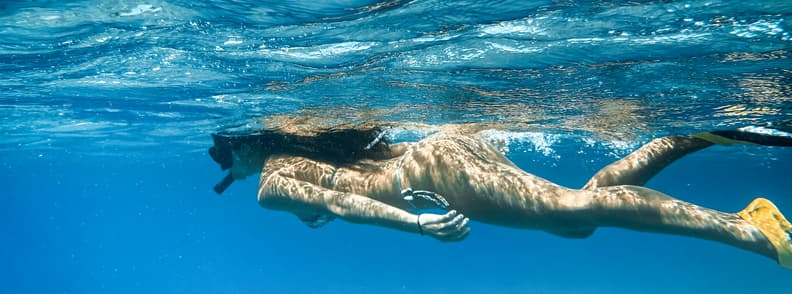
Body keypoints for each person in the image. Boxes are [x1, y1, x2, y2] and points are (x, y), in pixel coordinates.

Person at [208, 119, 792, 269]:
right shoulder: (315, 148)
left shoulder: (269, 184)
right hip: (443, 151)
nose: (223, 166)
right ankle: (688, 137)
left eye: (220, 154)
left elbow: (340, 204)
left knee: (572, 209)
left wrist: (412, 224)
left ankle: (751, 231)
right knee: (575, 217)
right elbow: (336, 199)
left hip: (435, 172)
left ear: (243, 146)